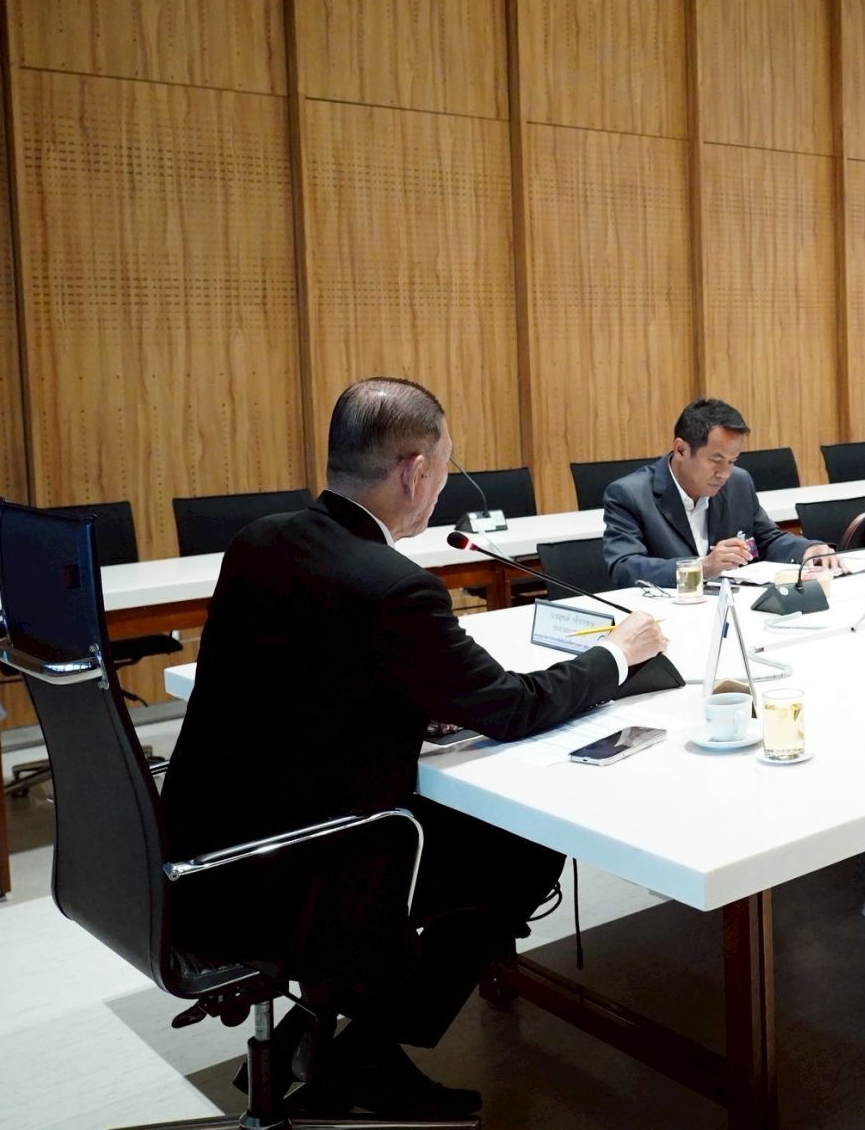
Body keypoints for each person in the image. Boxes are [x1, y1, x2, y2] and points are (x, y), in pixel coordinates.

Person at [162, 378, 671, 1117]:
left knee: (479, 831)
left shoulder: (261, 540)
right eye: (445, 466)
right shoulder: (394, 586)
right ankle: (364, 1055)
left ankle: (319, 1027)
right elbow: (511, 707)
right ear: (414, 470)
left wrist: (407, 701)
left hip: (204, 845)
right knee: (521, 848)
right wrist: (617, 653)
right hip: (296, 865)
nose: (441, 486)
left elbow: (303, 676)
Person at [601, 398, 833, 588]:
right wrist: (701, 567)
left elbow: (767, 539)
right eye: (716, 460)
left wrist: (808, 549)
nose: (724, 474)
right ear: (681, 450)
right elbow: (624, 568)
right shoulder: (629, 495)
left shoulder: (738, 483)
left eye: (732, 461)